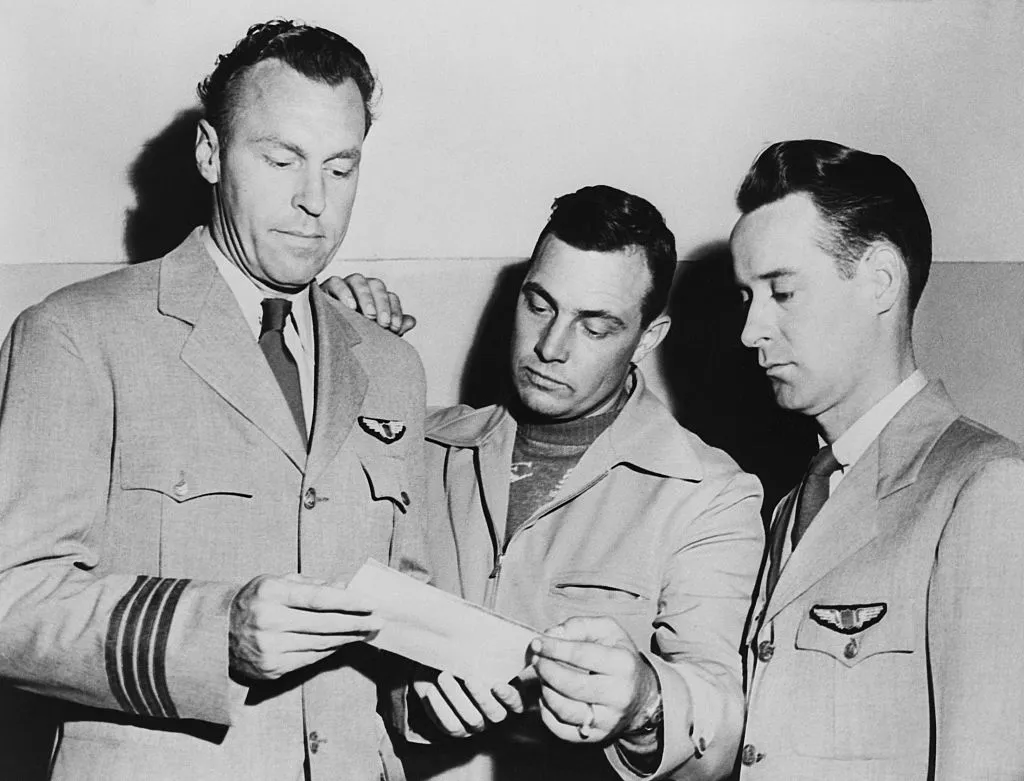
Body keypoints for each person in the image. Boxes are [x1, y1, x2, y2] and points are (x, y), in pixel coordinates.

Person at [0, 20, 428, 781]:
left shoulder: (391, 364)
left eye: (341, 167)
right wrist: (214, 632)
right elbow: (10, 602)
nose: (313, 201)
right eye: (280, 158)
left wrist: (434, 690)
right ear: (209, 152)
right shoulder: (76, 334)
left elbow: (400, 623)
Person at [380, 185, 764, 781]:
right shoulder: (418, 446)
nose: (549, 348)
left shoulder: (708, 493)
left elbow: (717, 726)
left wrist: (643, 702)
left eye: (595, 325)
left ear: (649, 337)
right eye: (539, 305)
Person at [731, 140, 1024, 779]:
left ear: (880, 280)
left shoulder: (986, 488)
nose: (751, 331)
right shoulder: (793, 502)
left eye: (781, 293)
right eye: (746, 298)